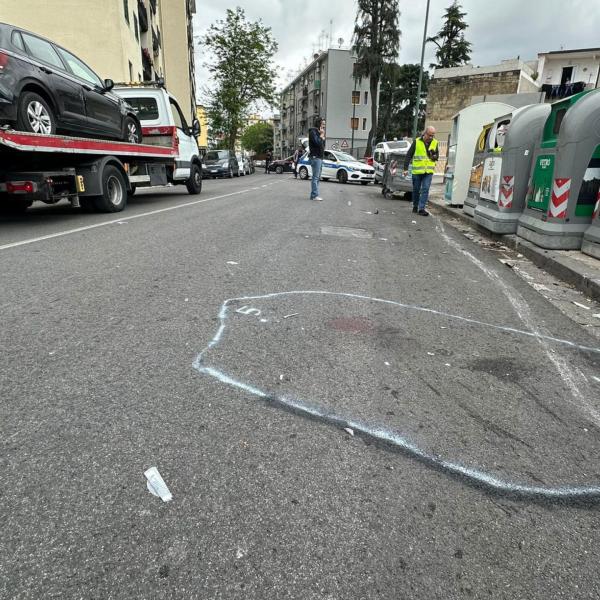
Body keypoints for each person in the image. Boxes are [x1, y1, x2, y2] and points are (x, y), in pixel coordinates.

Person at [403, 126, 439, 216]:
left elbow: (436, 156)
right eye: (429, 135)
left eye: (433, 136)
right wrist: (405, 169)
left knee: (425, 189)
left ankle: (421, 208)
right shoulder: (417, 142)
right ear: (425, 133)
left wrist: (433, 156)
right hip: (417, 172)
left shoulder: (435, 143)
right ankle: (415, 205)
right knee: (416, 190)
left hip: (428, 172)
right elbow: (408, 155)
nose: (431, 137)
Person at [308, 117, 326, 200]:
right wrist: (321, 136)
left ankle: (314, 195)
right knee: (315, 177)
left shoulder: (318, 132)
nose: (324, 126)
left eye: (324, 124)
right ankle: (314, 195)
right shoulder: (313, 132)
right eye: (322, 124)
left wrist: (322, 136)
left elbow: (321, 145)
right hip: (315, 157)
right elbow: (317, 143)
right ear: (318, 123)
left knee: (318, 177)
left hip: (319, 157)